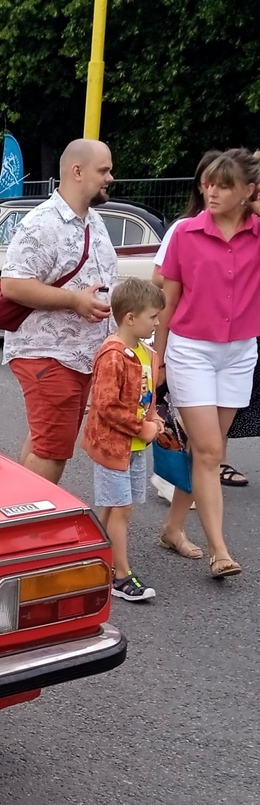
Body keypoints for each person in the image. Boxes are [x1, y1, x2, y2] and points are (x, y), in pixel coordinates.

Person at [153, 150, 260, 579]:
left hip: (239, 351)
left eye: (224, 185)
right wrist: (156, 362)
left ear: (248, 192)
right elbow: (168, 301)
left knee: (207, 453)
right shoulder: (186, 233)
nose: (211, 191)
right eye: (209, 183)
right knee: (212, 450)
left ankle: (172, 528)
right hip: (191, 349)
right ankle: (220, 551)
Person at [0, 138, 119, 485]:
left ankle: (18, 515)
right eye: (103, 170)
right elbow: (13, 285)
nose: (110, 177)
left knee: (44, 443)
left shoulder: (93, 221)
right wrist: (74, 301)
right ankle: (32, 526)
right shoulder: (42, 223)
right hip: (50, 356)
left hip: (78, 356)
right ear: (76, 172)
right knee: (52, 451)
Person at [81, 280, 166, 601]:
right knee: (122, 508)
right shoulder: (113, 355)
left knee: (116, 507)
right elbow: (106, 405)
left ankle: (94, 555)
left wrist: (154, 418)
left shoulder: (146, 353)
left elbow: (147, 397)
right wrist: (141, 427)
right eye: (153, 317)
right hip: (114, 445)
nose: (157, 323)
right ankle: (120, 576)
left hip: (134, 446)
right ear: (130, 318)